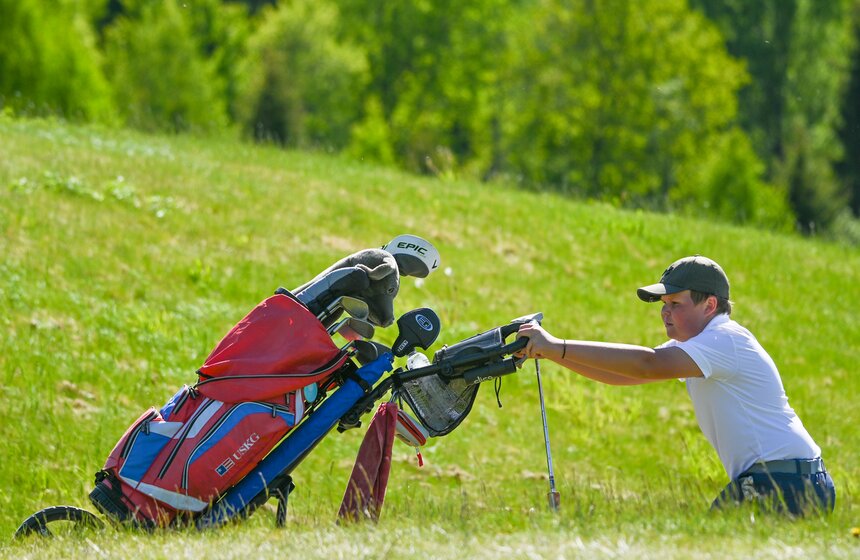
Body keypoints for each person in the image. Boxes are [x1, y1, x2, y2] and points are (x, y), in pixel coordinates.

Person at [516, 255, 835, 515]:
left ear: (709, 306)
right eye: (663, 304)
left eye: (676, 304)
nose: (665, 313)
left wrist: (556, 345)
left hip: (783, 481)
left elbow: (647, 364)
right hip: (790, 479)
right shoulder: (702, 344)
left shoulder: (724, 339)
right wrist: (550, 352)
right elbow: (625, 375)